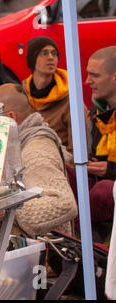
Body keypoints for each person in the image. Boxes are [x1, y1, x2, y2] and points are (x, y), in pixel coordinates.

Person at [0, 83, 78, 238]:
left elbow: (65, 204)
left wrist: (10, 210)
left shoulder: (36, 152)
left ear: (11, 117)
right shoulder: (18, 145)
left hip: (44, 256)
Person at [22, 36, 84, 157]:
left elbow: (78, 152)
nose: (51, 57)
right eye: (44, 53)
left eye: (54, 54)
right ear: (32, 59)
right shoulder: (22, 95)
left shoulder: (70, 101)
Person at [81, 46, 116, 241]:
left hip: (108, 188)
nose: (87, 81)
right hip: (97, 182)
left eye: (95, 75)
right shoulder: (96, 113)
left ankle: (85, 236)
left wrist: (110, 170)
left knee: (103, 192)